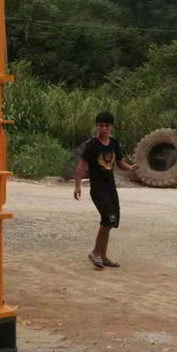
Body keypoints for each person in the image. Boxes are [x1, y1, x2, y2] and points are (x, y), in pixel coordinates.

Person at [73, 111, 137, 269]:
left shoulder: (114, 143)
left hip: (110, 188)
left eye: (106, 126)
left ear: (111, 127)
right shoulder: (92, 145)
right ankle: (95, 252)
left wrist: (131, 167)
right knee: (107, 220)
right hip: (98, 189)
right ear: (97, 126)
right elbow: (81, 165)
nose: (103, 128)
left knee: (111, 221)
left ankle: (103, 255)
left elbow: (121, 164)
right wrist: (77, 185)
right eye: (101, 125)